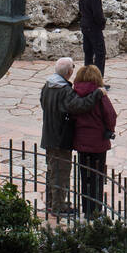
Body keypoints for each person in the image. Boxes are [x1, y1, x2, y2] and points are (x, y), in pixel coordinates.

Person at [39, 57, 103, 216]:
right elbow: (79, 106)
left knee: (52, 170)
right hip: (61, 138)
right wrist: (97, 94)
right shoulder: (64, 90)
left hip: (49, 135)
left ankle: (51, 202)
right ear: (69, 72)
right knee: (61, 173)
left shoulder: (47, 86)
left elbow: (42, 103)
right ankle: (58, 207)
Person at [69, 64, 117, 220]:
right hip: (98, 142)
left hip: (81, 141)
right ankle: (95, 210)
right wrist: (109, 129)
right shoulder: (100, 95)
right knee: (97, 176)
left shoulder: (74, 93)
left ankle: (86, 207)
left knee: (85, 176)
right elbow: (111, 116)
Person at [79, 0, 106, 76]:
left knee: (88, 53)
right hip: (94, 27)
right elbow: (97, 14)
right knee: (100, 54)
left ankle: (87, 79)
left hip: (85, 26)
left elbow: (81, 9)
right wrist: (102, 23)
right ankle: (97, 80)